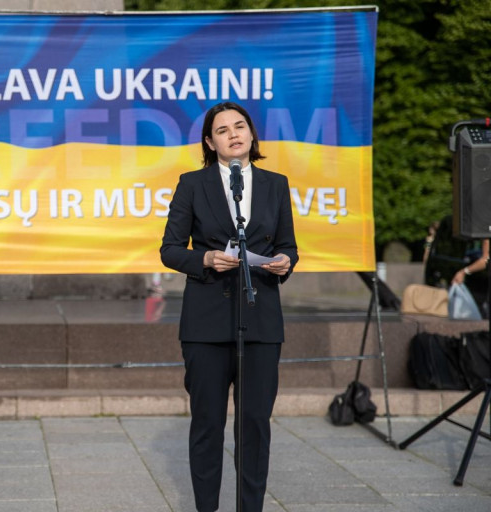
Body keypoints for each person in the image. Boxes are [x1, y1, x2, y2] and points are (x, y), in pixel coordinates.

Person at [160, 102, 299, 512]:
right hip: (207, 321)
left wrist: (285, 262)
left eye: (240, 126)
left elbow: (287, 245)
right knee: (208, 423)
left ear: (252, 134)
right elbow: (170, 249)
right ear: (210, 142)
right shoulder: (192, 184)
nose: (233, 134)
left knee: (254, 424)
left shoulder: (275, 184)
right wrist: (204, 259)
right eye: (222, 130)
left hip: (261, 317)